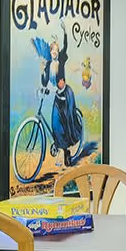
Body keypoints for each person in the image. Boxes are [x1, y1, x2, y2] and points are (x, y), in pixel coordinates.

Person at [32, 19, 83, 168]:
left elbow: (66, 46)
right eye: (51, 50)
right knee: (55, 125)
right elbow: (45, 81)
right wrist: (42, 75)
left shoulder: (61, 59)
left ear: (57, 51)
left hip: (66, 95)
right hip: (56, 98)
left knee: (66, 124)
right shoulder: (48, 64)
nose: (53, 52)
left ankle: (66, 152)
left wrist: (65, 32)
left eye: (55, 50)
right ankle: (59, 147)